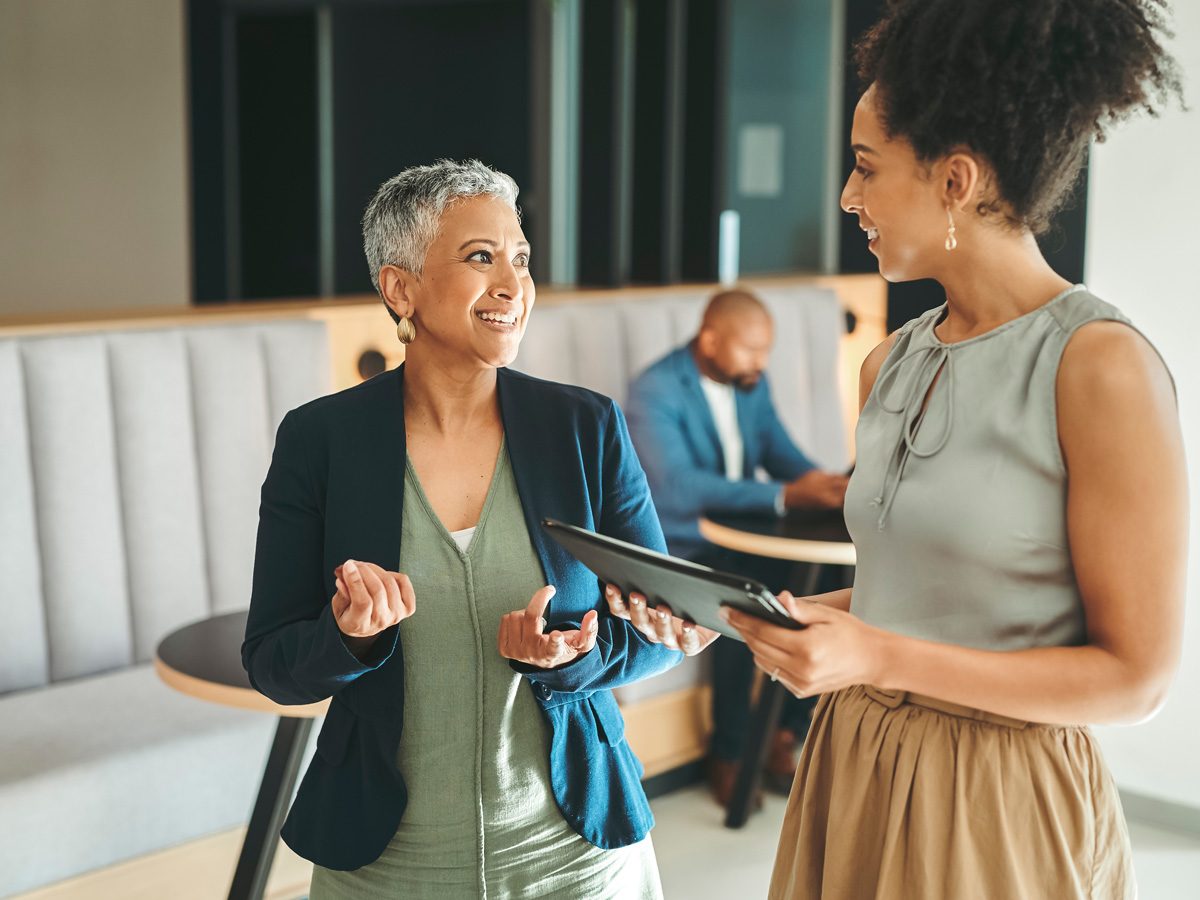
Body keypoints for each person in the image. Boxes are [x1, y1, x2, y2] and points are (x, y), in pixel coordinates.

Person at [710, 2, 1185, 897]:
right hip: (855, 760)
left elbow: (1136, 678)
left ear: (955, 180)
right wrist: (776, 618)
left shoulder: (1100, 368)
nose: (848, 198)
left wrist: (877, 656)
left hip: (999, 797)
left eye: (864, 168)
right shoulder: (889, 361)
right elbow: (926, 592)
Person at [241, 159, 701, 899]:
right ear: (401, 288)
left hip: (574, 857)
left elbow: (661, 624)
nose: (513, 285)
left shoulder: (585, 428)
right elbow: (270, 661)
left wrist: (567, 661)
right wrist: (349, 636)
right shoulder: (319, 441)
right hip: (388, 867)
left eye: (520, 259)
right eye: (480, 257)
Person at [624, 289, 849, 802]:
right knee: (737, 599)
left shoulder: (750, 383)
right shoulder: (656, 390)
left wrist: (827, 486)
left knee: (832, 578)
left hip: (745, 534)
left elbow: (778, 450)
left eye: (766, 350)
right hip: (684, 541)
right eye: (751, 350)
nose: (761, 362)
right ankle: (727, 751)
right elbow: (677, 486)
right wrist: (787, 495)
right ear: (710, 339)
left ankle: (784, 730)